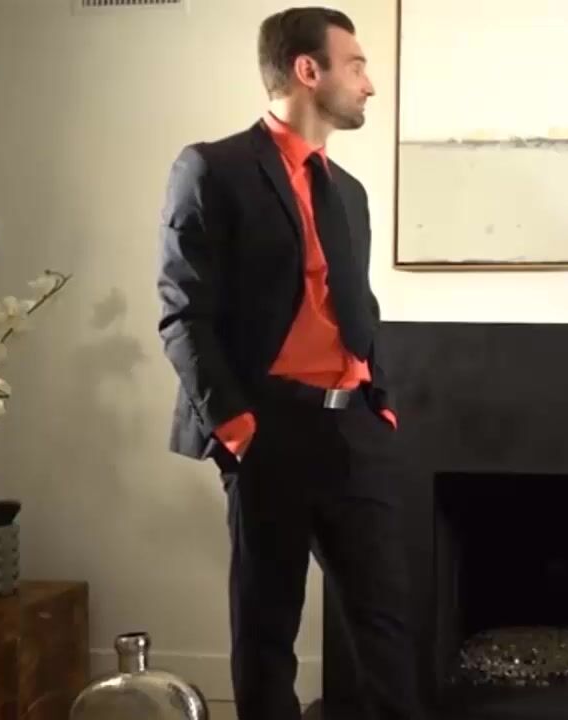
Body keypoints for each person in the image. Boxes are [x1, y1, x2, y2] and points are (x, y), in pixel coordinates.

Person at [156, 8, 421, 720]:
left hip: (353, 428)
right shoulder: (213, 168)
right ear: (309, 70)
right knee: (267, 629)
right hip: (267, 427)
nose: (369, 83)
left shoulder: (350, 193)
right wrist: (237, 426)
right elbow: (183, 313)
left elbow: (357, 304)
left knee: (388, 627)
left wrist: (379, 397)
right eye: (356, 65)